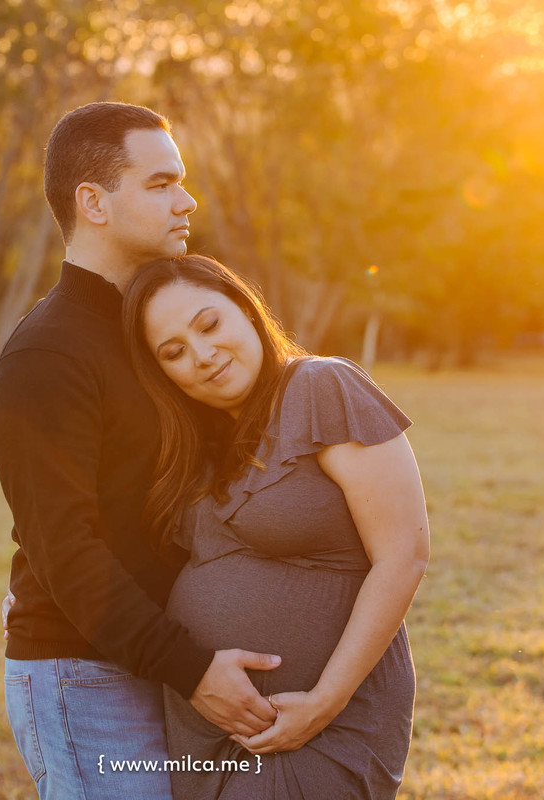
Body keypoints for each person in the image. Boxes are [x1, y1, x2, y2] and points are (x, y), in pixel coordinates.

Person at [0, 103, 282, 800]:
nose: (187, 200)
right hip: (85, 676)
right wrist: (192, 670)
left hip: (165, 664)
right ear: (94, 202)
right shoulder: (47, 354)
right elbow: (66, 550)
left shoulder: (155, 332)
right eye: (159, 184)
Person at [122, 254, 431, 799]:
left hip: (320, 726)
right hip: (205, 741)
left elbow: (404, 554)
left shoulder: (322, 388)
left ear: (245, 307)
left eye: (209, 324)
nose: (202, 355)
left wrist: (323, 703)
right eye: (173, 353)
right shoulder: (196, 445)